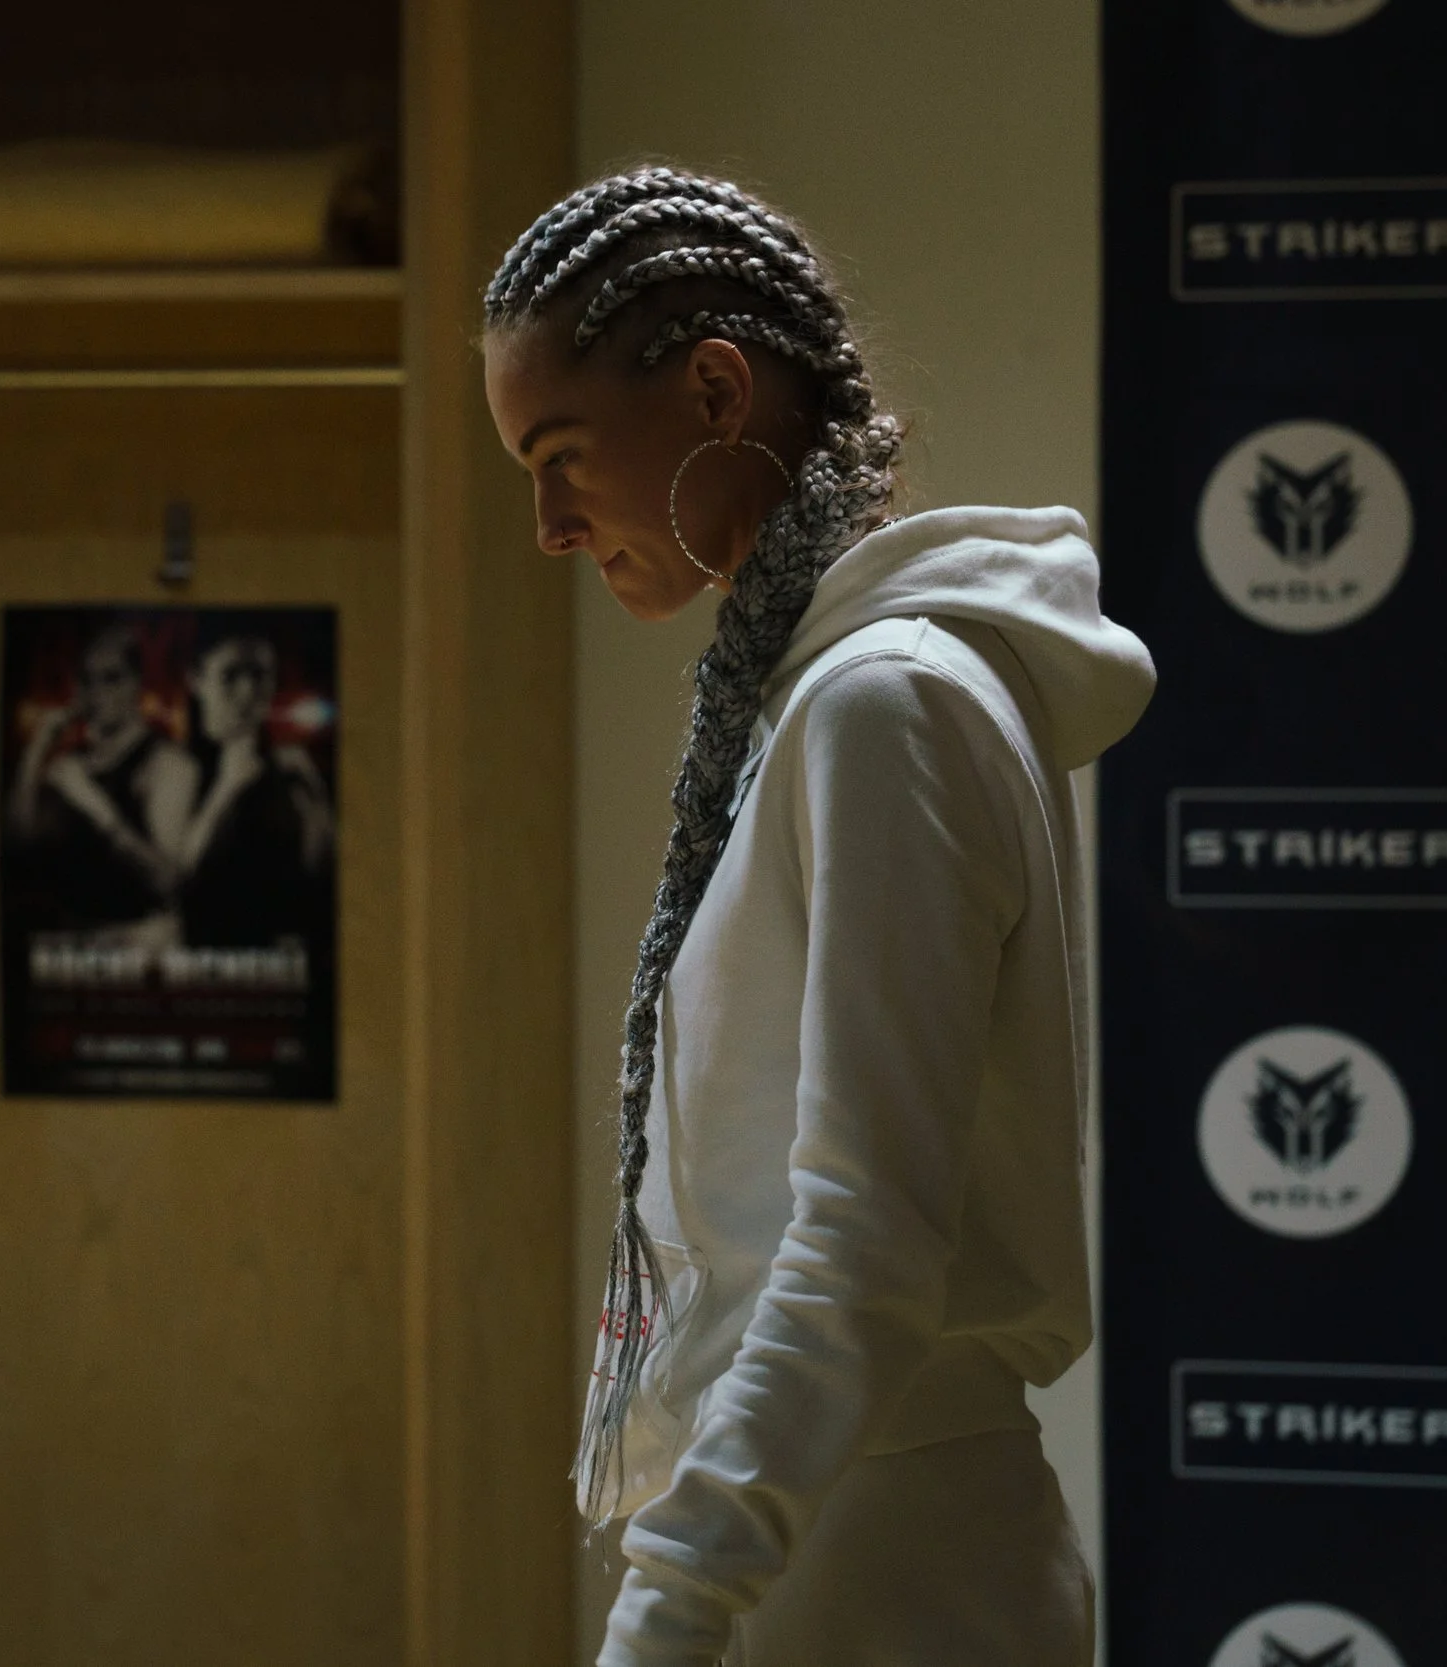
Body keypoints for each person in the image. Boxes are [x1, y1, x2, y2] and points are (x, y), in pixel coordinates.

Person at [481, 169, 1156, 1667]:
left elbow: (864, 1243)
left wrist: (671, 1605)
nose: (546, 522)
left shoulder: (883, 700)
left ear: (718, 388)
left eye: (564, 452)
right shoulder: (828, 701)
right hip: (832, 1542)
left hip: (885, 1572)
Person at [4, 623, 195, 944]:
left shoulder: (166, 763)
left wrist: (97, 807)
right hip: (69, 938)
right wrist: (35, 752)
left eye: (111, 678)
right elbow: (18, 846)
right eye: (87, 680)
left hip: (138, 940)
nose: (97, 692)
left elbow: (167, 882)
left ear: (135, 684)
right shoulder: (71, 765)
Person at [172, 629, 334, 949]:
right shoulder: (174, 764)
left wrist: (315, 802)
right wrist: (226, 790)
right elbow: (170, 887)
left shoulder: (289, 765)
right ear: (197, 679)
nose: (248, 692)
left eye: (260, 675)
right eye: (230, 676)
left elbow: (326, 880)